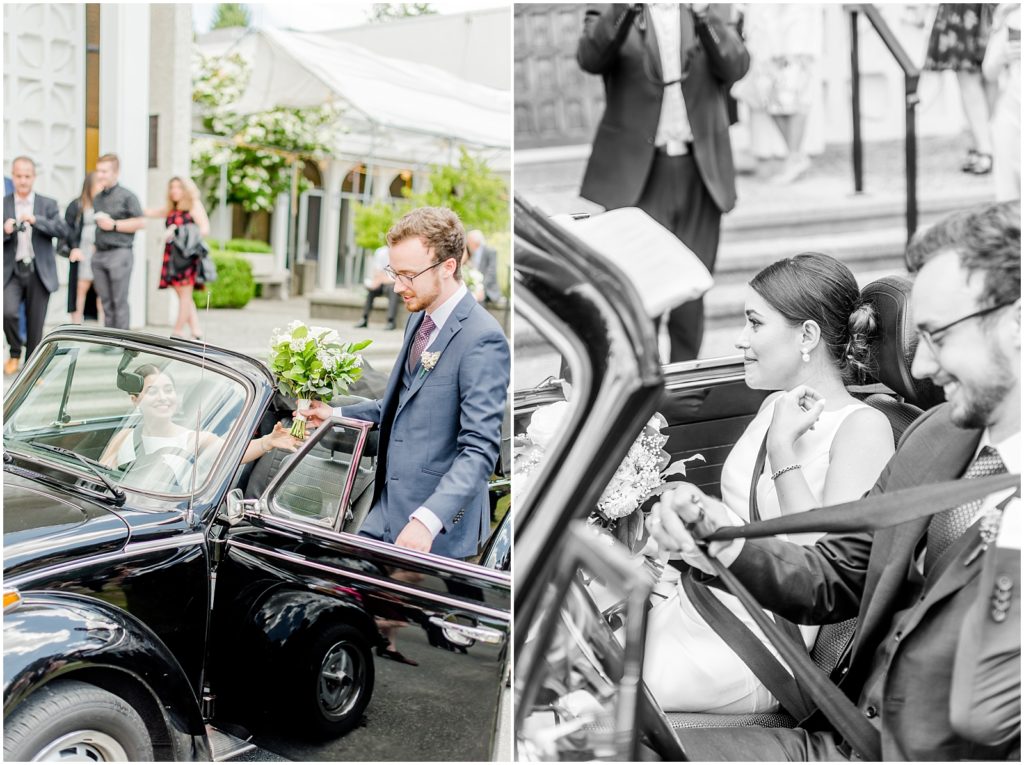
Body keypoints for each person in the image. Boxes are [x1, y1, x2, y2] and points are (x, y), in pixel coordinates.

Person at [648, 200, 1021, 760]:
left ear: (1015, 326)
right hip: (848, 731)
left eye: (938, 337)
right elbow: (836, 574)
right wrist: (718, 538)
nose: (919, 369)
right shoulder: (938, 436)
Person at [644, 252, 894, 713]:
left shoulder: (864, 429)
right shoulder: (772, 406)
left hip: (763, 638)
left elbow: (822, 572)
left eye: (754, 323)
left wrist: (783, 450)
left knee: (598, 688)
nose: (740, 340)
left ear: (807, 336)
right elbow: (742, 516)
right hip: (712, 598)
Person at [299, 207, 510, 560]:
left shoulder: (482, 339)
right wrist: (334, 413)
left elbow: (479, 451)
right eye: (394, 273)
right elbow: (395, 408)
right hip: (384, 511)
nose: (397, 286)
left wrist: (428, 520)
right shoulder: (419, 319)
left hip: (436, 534)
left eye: (408, 275)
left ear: (448, 267)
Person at [577, 3, 749, 363]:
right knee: (642, 289)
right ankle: (644, 386)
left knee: (691, 289)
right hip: (638, 175)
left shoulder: (712, 8)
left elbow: (736, 65)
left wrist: (704, 15)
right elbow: (591, 58)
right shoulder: (612, 10)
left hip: (700, 171)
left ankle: (687, 391)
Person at [99, 364, 298, 473]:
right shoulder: (125, 436)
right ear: (135, 400)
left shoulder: (194, 439)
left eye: (168, 390)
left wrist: (267, 442)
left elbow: (232, 453)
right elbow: (101, 474)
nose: (163, 397)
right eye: (152, 391)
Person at [732, 4, 823, 185]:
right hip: (769, 42)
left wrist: (787, 45)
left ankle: (795, 157)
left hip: (791, 41)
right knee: (770, 100)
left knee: (793, 100)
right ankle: (796, 156)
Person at [3, 156, 67, 375]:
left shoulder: (47, 203)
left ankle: (31, 370)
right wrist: (5, 230)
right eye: (18, 176)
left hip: (39, 271)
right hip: (11, 269)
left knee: (35, 322)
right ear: (12, 176)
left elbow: (62, 230)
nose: (22, 180)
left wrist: (36, 220)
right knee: (8, 312)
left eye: (27, 176)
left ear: (34, 177)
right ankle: (14, 352)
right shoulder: (4, 203)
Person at [925, 4, 997, 175]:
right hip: (984, 9)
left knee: (975, 78)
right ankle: (985, 145)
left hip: (970, 9)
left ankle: (985, 149)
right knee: (986, 75)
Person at [144, 177, 211, 340]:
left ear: (186, 189)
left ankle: (178, 332)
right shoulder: (171, 208)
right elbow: (150, 213)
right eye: (172, 187)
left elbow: (204, 229)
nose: (174, 191)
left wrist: (179, 232)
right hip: (173, 256)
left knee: (185, 295)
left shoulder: (193, 205)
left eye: (178, 187)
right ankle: (196, 330)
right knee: (182, 295)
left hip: (187, 256)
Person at [92, 153, 145, 329]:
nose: (100, 175)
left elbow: (141, 222)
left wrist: (114, 225)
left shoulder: (128, 196)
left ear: (116, 172)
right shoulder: (98, 198)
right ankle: (109, 343)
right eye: (98, 171)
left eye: (104, 171)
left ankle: (122, 343)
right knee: (105, 301)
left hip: (120, 253)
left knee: (119, 300)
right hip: (99, 254)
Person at [982, 2, 1021, 201]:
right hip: (1012, 114)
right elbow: (989, 71)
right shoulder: (1013, 16)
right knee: (1008, 195)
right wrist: (1003, 55)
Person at [64, 172, 105, 325]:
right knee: (80, 289)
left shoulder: (105, 204)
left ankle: (103, 329)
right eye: (99, 182)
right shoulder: (77, 205)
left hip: (100, 253)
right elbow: (67, 231)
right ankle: (76, 326)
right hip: (83, 253)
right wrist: (73, 249)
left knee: (102, 292)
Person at [355, 245, 399, 331]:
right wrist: (376, 282)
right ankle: (364, 318)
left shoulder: (401, 252)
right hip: (382, 281)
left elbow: (398, 276)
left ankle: (391, 321)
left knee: (392, 289)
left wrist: (382, 279)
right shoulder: (381, 252)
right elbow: (377, 271)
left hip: (394, 283)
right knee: (372, 290)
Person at [466, 229, 502, 305]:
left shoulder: (490, 251)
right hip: (472, 285)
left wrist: (481, 287)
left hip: (487, 288)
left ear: (476, 242)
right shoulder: (468, 251)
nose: (467, 243)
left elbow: (491, 273)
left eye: (469, 241)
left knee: (479, 298)